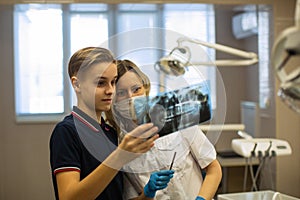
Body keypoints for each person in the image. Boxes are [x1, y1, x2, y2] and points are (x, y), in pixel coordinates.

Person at [49, 47, 173, 200]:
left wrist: (147, 194)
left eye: (113, 82)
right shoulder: (67, 131)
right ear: (77, 84)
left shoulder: (110, 133)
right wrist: (120, 156)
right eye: (101, 83)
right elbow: (68, 198)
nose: (110, 90)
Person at [106, 59, 222, 200]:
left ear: (145, 88)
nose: (131, 98)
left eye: (136, 89)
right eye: (121, 93)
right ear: (112, 99)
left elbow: (213, 168)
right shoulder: (120, 145)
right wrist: (147, 193)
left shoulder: (177, 119)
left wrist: (202, 199)